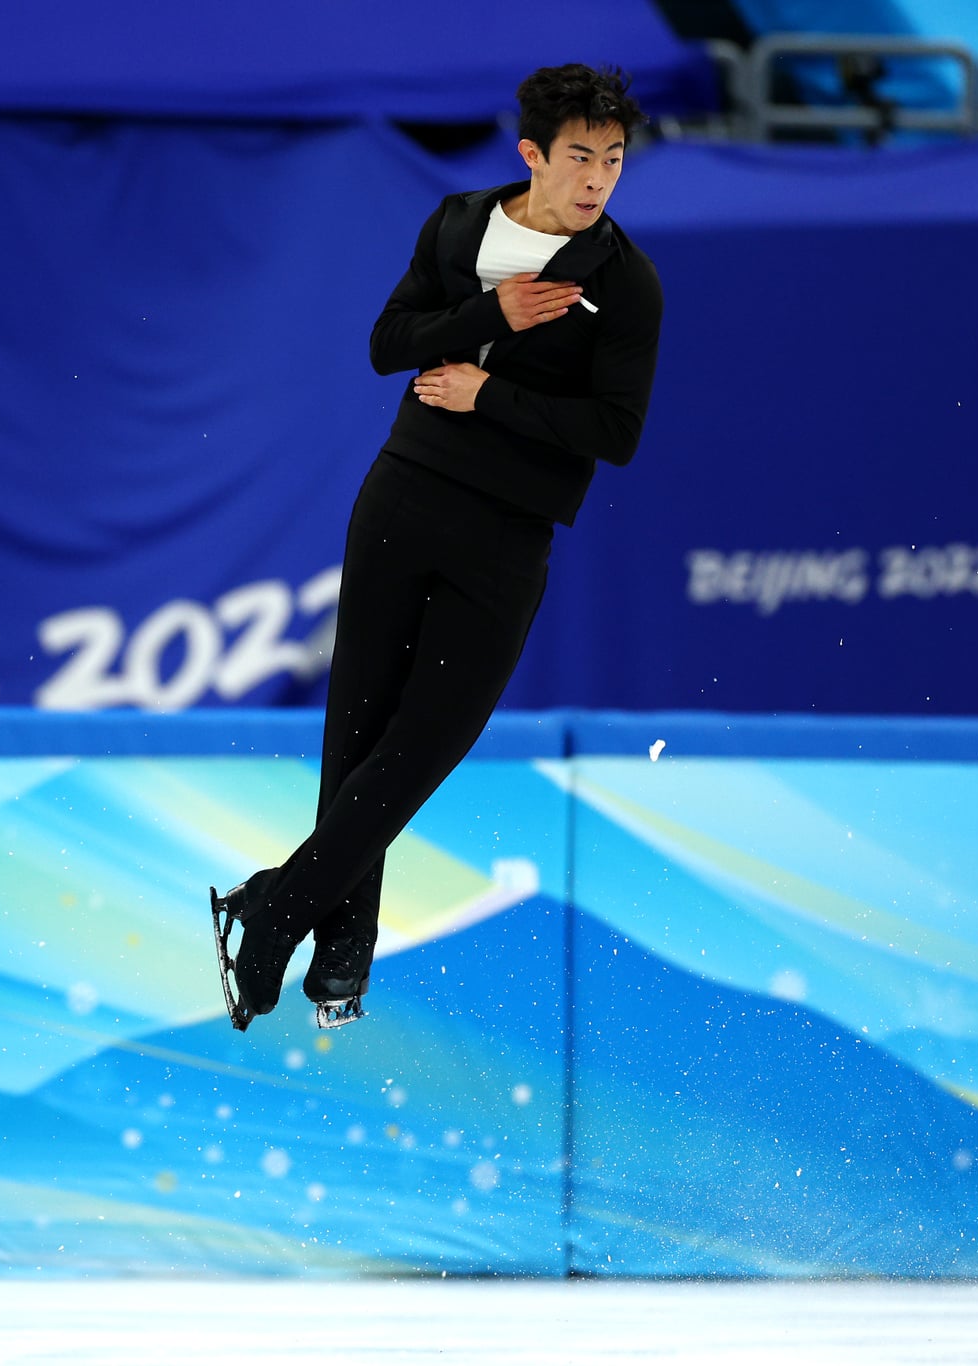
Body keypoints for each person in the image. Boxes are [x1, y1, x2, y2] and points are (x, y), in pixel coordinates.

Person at [212, 63, 663, 1031]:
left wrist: (489, 393)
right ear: (532, 155)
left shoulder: (625, 285)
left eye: (614, 160)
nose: (597, 180)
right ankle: (341, 960)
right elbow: (387, 343)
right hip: (403, 492)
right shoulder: (459, 224)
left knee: (425, 743)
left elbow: (615, 434)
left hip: (506, 529)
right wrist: (488, 318)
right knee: (358, 730)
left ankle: (276, 909)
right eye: (579, 157)